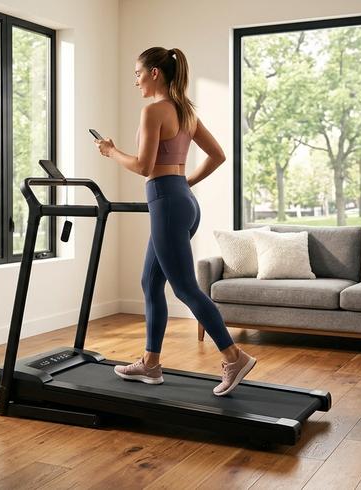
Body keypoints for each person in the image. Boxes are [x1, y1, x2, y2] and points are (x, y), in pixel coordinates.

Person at [94, 47, 257, 396]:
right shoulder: (185, 111)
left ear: (155, 73)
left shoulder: (153, 110)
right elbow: (218, 155)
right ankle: (150, 364)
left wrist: (110, 150)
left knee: (184, 288)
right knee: (150, 283)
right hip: (181, 200)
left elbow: (144, 167)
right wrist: (183, 185)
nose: (135, 80)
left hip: (167, 203)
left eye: (138, 73)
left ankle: (234, 357)